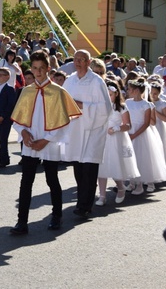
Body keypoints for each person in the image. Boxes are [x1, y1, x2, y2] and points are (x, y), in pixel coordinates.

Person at [9, 51, 81, 235]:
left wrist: (47, 139)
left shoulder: (58, 91)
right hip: (31, 142)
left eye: (42, 68)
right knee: (26, 181)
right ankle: (21, 221)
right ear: (31, 69)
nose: (38, 72)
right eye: (35, 68)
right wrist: (23, 132)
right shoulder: (26, 91)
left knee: (52, 179)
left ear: (48, 69)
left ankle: (56, 216)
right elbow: (18, 119)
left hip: (50, 142)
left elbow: (66, 120)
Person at [62, 49, 112, 219]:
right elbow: (63, 102)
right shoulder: (70, 81)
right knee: (78, 168)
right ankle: (82, 202)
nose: (78, 62)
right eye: (76, 59)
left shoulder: (97, 82)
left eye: (82, 59)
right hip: (76, 130)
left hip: (93, 131)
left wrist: (82, 105)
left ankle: (85, 205)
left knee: (89, 169)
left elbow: (106, 109)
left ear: (89, 62)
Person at [96, 82, 139, 206]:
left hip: (116, 139)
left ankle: (121, 188)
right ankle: (102, 195)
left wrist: (116, 128)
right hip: (102, 139)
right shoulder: (100, 107)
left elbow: (128, 125)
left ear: (116, 93)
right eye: (106, 94)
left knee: (115, 165)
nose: (108, 97)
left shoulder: (122, 107)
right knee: (101, 167)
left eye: (110, 94)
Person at [126, 78, 166, 194]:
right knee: (131, 157)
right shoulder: (128, 102)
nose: (128, 91)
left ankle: (142, 184)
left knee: (143, 158)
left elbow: (148, 123)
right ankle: (132, 182)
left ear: (136, 90)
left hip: (141, 133)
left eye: (130, 89)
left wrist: (134, 135)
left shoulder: (147, 104)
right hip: (130, 130)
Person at [0, 67, 17, 168]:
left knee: (3, 138)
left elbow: (10, 104)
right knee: (0, 138)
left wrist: (3, 116)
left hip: (5, 118)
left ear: (7, 77)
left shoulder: (10, 89)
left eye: (1, 75)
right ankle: (3, 158)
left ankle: (4, 159)